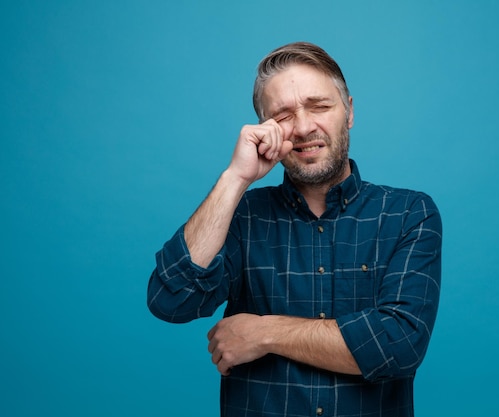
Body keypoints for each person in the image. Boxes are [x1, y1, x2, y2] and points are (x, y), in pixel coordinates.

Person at [147, 41, 442, 417]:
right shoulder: (242, 216)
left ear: (349, 111)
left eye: (319, 106)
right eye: (284, 115)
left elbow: (399, 345)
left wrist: (264, 333)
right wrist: (236, 179)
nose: (304, 127)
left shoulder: (408, 213)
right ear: (264, 128)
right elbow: (171, 301)